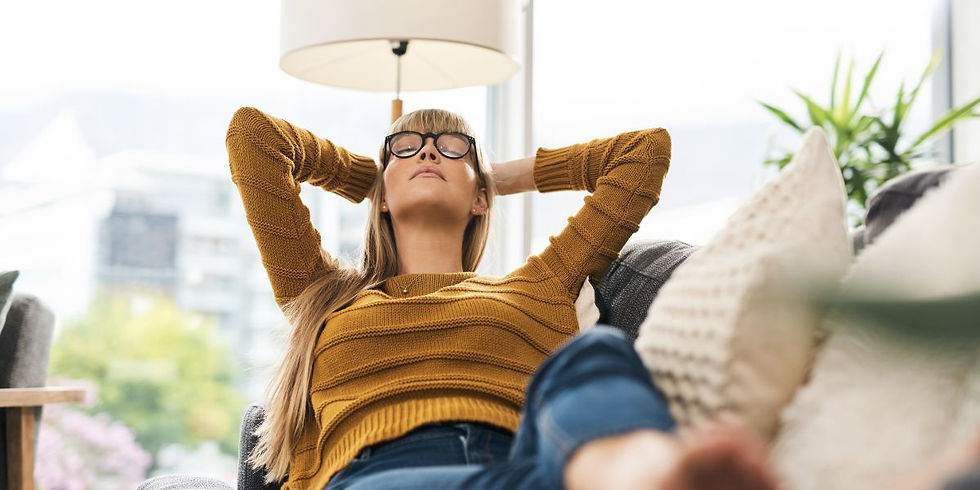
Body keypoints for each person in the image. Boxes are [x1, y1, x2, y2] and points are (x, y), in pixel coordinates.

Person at [225, 106, 779, 490]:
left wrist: (495, 178)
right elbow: (253, 136)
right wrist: (370, 179)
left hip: (525, 472)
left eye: (452, 146)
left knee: (595, 351)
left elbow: (643, 153)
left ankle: (648, 478)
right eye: (406, 145)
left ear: (481, 200)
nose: (428, 151)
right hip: (377, 477)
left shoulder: (539, 285)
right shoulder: (320, 293)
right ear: (382, 198)